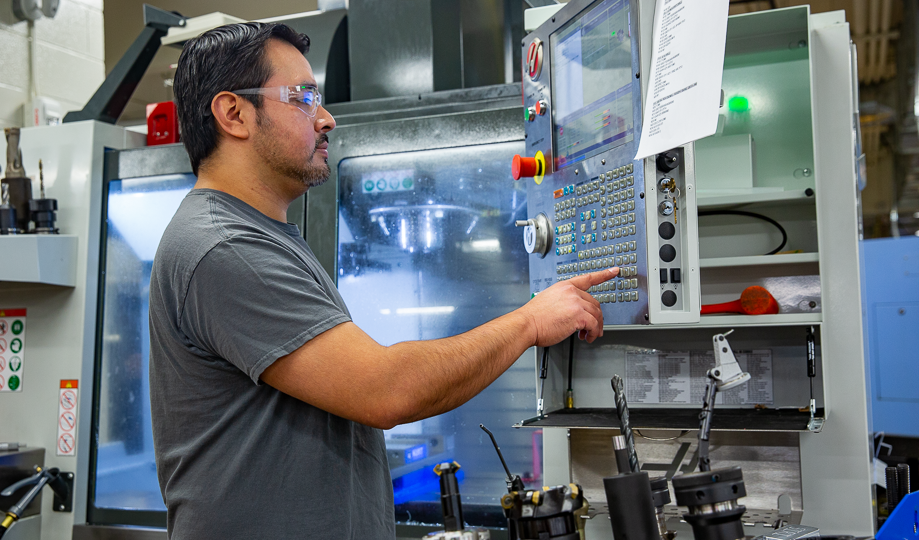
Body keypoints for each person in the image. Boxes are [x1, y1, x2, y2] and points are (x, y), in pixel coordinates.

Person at [148, 21, 618, 539]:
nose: (325, 118)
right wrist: (530, 321)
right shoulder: (225, 246)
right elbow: (388, 390)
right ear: (234, 114)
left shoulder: (262, 236)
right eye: (303, 98)